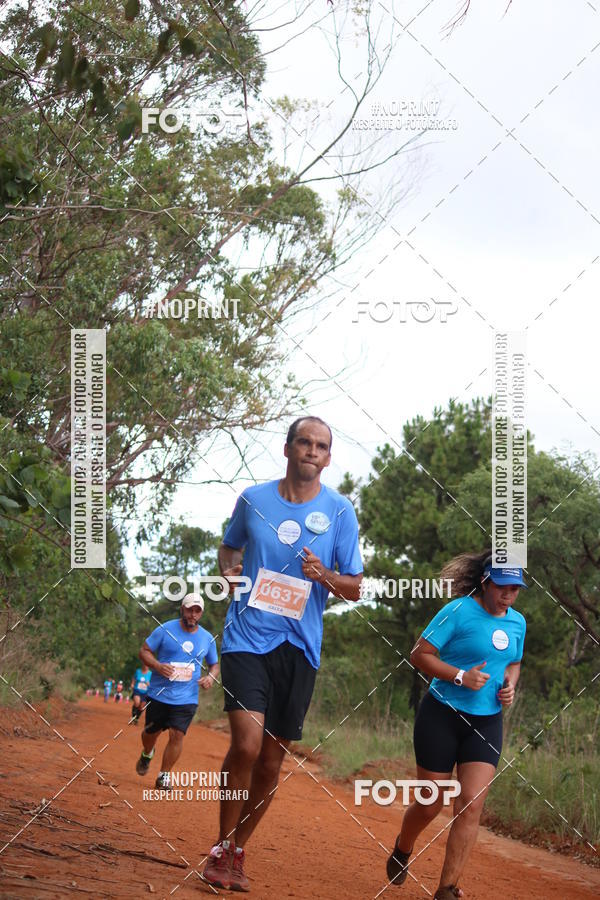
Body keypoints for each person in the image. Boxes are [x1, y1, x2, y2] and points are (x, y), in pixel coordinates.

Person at [202, 416, 363, 892]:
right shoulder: (253, 499)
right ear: (289, 448)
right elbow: (229, 550)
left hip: (301, 647)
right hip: (248, 637)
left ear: (328, 458)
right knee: (247, 745)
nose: (312, 451)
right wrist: (232, 575)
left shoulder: (340, 512)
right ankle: (219, 844)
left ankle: (237, 850)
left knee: (272, 762)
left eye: (321, 446)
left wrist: (325, 577)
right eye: (304, 442)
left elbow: (354, 587)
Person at [386, 550, 527, 900]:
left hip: (487, 721)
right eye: (502, 586)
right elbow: (419, 654)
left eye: (516, 588)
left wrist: (509, 687)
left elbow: (514, 662)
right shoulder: (458, 611)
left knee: (471, 803)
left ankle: (447, 888)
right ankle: (404, 846)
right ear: (485, 581)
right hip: (442, 714)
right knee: (431, 801)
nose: (508, 594)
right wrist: (461, 676)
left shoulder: (518, 623)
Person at [135, 593, 219, 790]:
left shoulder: (207, 638)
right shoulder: (165, 629)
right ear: (182, 609)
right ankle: (147, 753)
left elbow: (214, 665)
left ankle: (163, 776)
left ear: (201, 614)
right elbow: (144, 651)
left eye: (197, 611)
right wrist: (157, 665)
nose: (193, 614)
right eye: (189, 609)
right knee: (150, 734)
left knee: (177, 735)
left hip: (186, 698)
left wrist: (211, 677)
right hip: (159, 694)